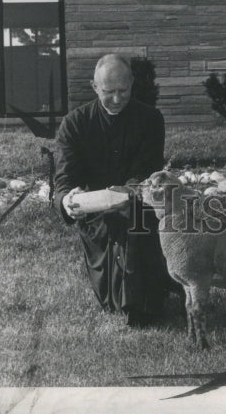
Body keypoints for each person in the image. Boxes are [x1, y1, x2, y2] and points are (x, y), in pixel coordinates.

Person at [54, 53, 172, 326]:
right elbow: (64, 183)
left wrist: (126, 194)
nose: (117, 99)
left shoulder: (151, 119)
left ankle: (141, 304)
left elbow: (146, 173)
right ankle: (133, 298)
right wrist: (69, 201)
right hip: (96, 218)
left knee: (135, 224)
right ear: (94, 87)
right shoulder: (74, 124)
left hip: (139, 208)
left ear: (132, 83)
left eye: (124, 91)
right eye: (109, 92)